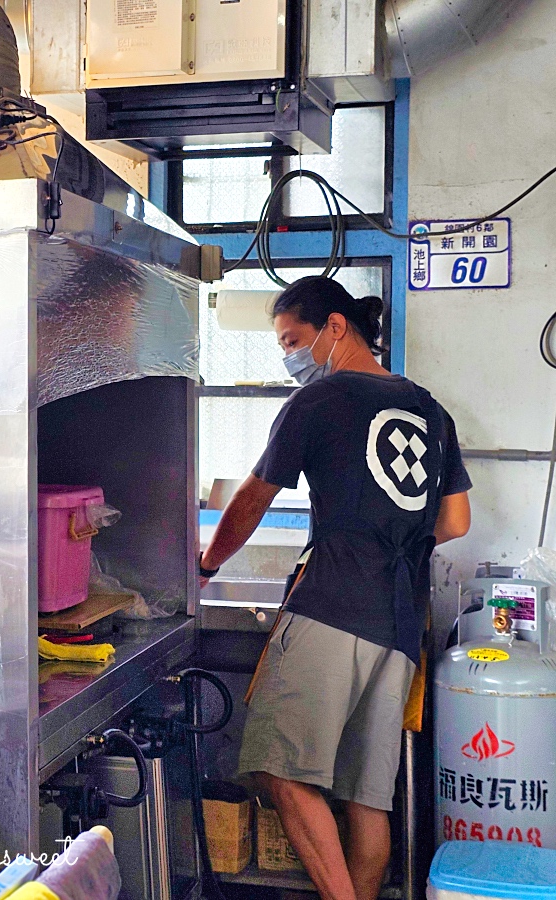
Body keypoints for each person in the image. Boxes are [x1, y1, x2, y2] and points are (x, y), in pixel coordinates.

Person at [198, 276, 472, 900]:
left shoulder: (320, 402)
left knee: (280, 772)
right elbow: (455, 521)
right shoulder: (430, 407)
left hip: (332, 608)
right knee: (366, 798)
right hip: (402, 626)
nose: (289, 356)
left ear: (336, 328)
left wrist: (209, 563)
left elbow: (251, 499)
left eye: (293, 340)